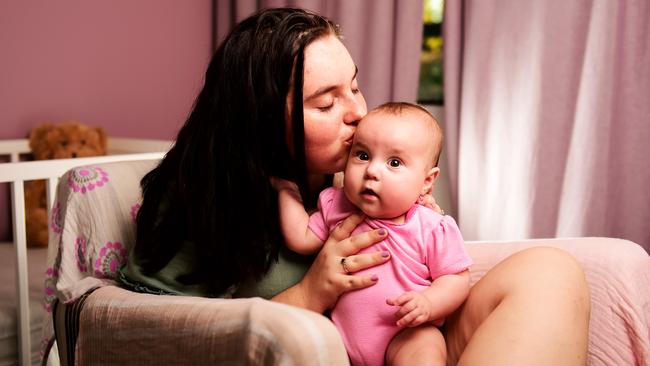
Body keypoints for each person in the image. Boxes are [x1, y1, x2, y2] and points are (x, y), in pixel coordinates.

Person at [119, 7, 590, 365]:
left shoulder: (344, 179)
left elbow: (427, 261)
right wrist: (311, 293)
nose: (358, 113)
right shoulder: (194, 207)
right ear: (259, 122)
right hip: (330, 349)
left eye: (355, 87)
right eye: (326, 104)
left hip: (407, 337)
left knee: (550, 271)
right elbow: (156, 337)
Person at [274, 102, 472, 365]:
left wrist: (429, 303)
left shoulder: (431, 225)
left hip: (405, 332)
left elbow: (456, 278)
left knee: (425, 350)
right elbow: (301, 237)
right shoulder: (337, 205)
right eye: (363, 155)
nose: (371, 171)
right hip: (342, 337)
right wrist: (286, 190)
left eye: (394, 162)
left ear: (426, 181)